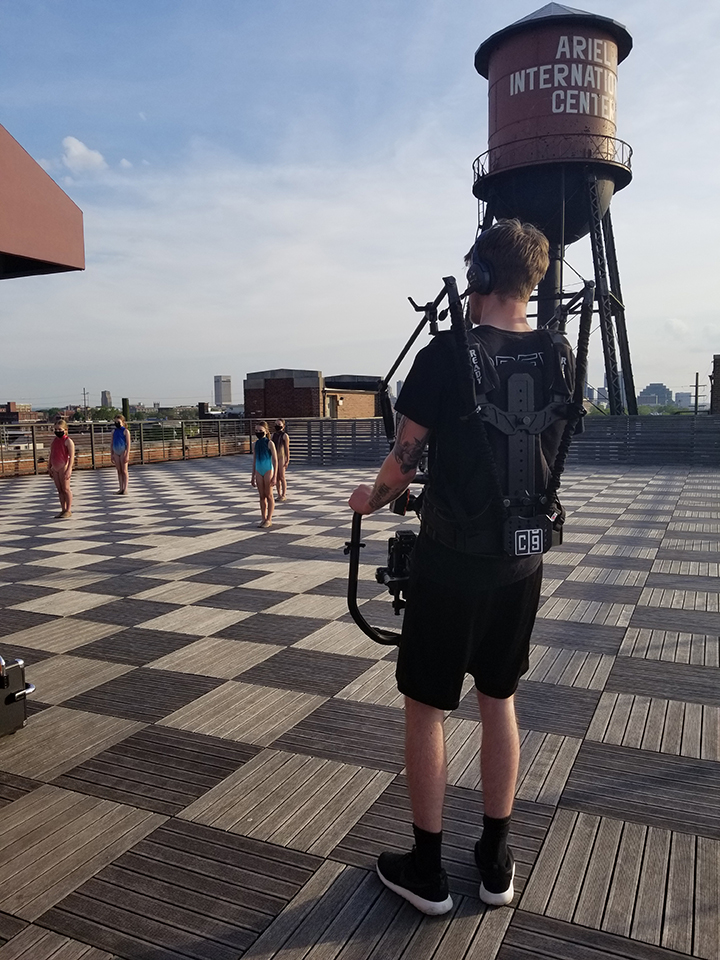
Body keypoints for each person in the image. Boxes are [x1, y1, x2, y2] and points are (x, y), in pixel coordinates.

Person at [349, 219, 574, 916]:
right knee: (499, 699)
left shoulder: (446, 356)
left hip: (451, 562)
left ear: (478, 274)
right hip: (523, 560)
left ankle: (426, 868)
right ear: (533, 280)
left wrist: (372, 496)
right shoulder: (559, 354)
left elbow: (403, 460)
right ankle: (495, 861)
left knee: (427, 708)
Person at [251, 421, 277, 528]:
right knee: (261, 496)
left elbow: (275, 460)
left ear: (266, 431)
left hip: (268, 470)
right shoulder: (255, 444)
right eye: (256, 431)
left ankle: (269, 518)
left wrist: (275, 476)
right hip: (258, 469)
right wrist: (252, 476)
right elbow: (254, 460)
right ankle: (263, 517)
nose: (258, 433)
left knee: (269, 495)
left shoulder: (270, 443)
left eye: (260, 431)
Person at [49, 419, 75, 519]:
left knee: (66, 489)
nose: (57, 431)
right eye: (55, 429)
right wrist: (49, 466)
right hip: (55, 467)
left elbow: (71, 457)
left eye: (60, 429)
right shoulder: (54, 441)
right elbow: (51, 454)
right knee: (59, 490)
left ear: (65, 430)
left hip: (63, 466)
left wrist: (69, 469)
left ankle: (68, 509)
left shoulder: (68, 441)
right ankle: (63, 509)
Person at [111, 414, 131, 495]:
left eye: (118, 422)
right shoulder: (114, 432)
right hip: (116, 451)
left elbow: (128, 444)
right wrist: (111, 453)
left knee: (124, 470)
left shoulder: (126, 431)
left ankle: (125, 488)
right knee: (119, 470)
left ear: (122, 422)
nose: (117, 423)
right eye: (115, 422)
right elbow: (111, 443)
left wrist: (127, 454)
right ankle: (121, 488)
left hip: (123, 451)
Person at [271, 419, 290, 501]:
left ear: (283, 426)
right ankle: (278, 494)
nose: (277, 426)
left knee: (282, 476)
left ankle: (283, 494)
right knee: (277, 476)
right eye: (276, 424)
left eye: (279, 424)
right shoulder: (273, 435)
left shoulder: (285, 435)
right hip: (275, 456)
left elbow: (287, 448)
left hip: (282, 456)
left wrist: (287, 459)